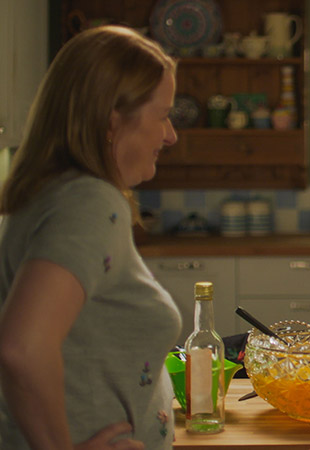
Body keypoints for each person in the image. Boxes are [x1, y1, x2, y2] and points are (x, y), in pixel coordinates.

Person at [0, 26, 181, 449]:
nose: (170, 135)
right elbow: (21, 347)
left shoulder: (49, 194)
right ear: (113, 120)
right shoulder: (90, 202)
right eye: (162, 115)